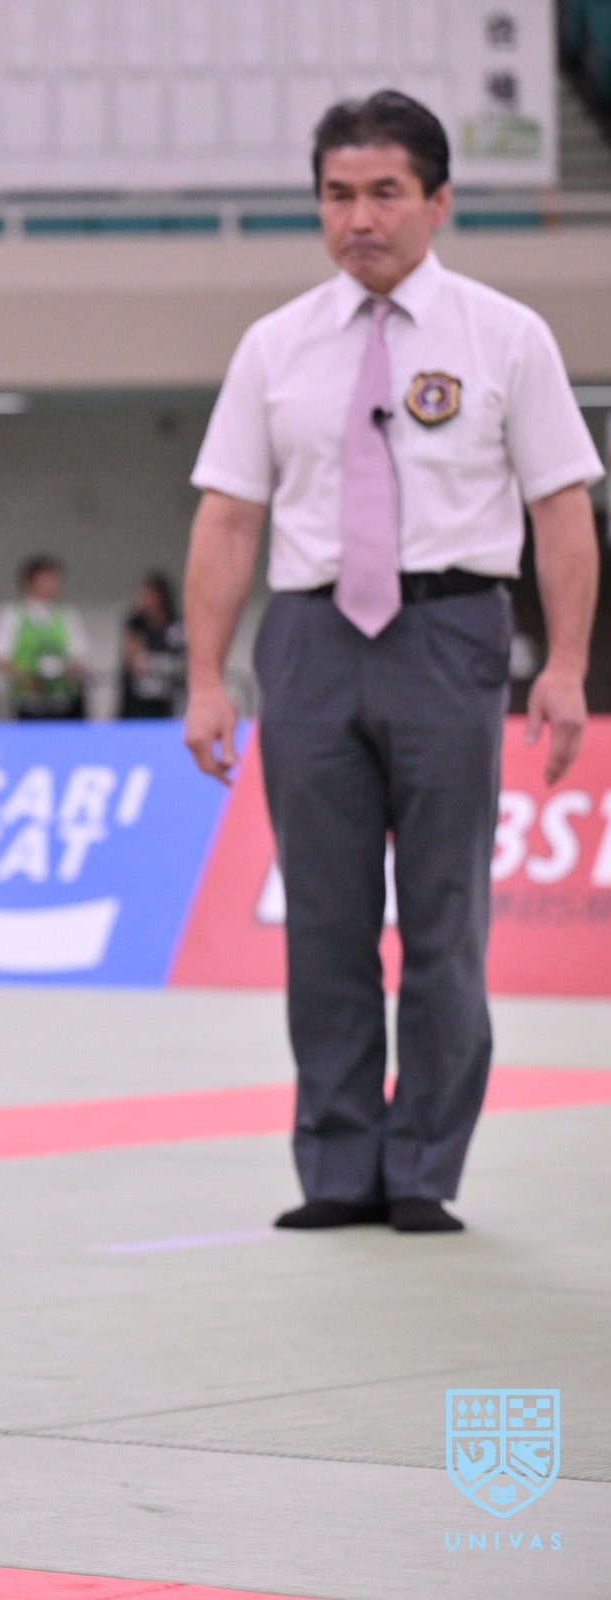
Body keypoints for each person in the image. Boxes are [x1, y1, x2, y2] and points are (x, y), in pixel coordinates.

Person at [183, 91, 602, 1236]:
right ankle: (337, 1165)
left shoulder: (505, 335)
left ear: (438, 201)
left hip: (449, 632)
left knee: (442, 917)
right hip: (311, 638)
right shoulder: (275, 346)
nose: (359, 218)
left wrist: (566, 665)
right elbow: (229, 516)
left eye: (384, 193)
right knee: (323, 919)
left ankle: (421, 1166)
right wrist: (208, 677)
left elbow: (561, 509)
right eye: (337, 195)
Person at [0, 555, 89, 720]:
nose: (48, 585)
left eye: (53, 579)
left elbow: (80, 656)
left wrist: (64, 672)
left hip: (62, 700)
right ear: (29, 581)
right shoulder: (13, 613)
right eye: (43, 579)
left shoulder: (67, 614)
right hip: (27, 701)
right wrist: (25, 678)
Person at [118, 572, 186, 719]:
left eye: (149, 595)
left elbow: (184, 658)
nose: (145, 600)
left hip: (170, 698)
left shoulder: (176, 625)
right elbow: (137, 664)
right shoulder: (136, 623)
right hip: (140, 700)